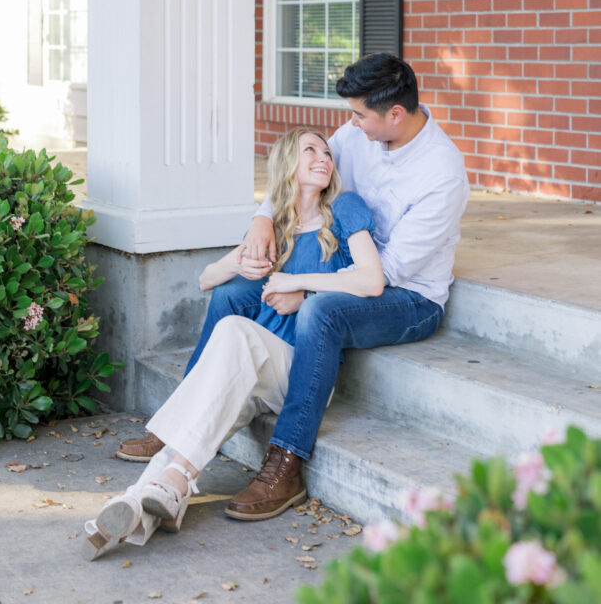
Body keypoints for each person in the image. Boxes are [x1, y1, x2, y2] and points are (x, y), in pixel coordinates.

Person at [117, 53, 470, 522]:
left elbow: (389, 272)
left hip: (408, 296)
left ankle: (286, 463)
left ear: (395, 115)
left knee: (321, 313)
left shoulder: (442, 172)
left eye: (360, 114)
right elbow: (295, 175)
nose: (350, 125)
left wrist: (306, 290)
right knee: (231, 295)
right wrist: (263, 220)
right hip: (344, 263)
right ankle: (179, 419)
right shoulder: (356, 136)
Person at [83, 128, 384, 560]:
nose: (324, 158)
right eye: (310, 150)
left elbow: (372, 279)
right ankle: (147, 502)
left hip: (301, 372)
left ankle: (155, 493)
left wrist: (300, 285)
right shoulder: (274, 224)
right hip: (254, 375)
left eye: (327, 152)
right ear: (288, 164)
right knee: (193, 434)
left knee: (233, 333)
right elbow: (207, 279)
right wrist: (239, 259)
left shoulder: (345, 209)